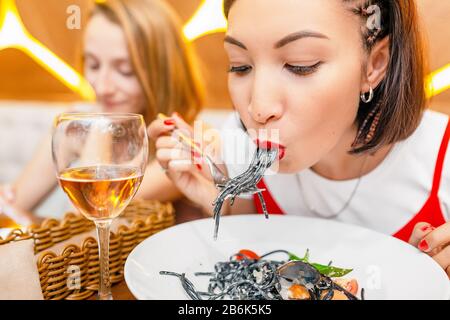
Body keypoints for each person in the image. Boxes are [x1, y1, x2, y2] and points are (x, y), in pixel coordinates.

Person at [149, 0, 450, 277]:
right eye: (241, 66)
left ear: (374, 64)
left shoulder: (443, 159)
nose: (258, 107)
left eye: (300, 64)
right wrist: (216, 201)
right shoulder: (241, 143)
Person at [0, 0, 204, 224]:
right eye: (94, 65)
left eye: (125, 71)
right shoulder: (73, 124)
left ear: (164, 73)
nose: (103, 87)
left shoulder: (186, 144)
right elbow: (11, 208)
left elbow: (93, 215)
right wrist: (14, 208)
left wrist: (99, 125)